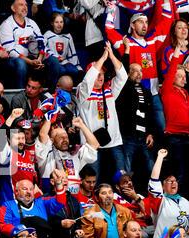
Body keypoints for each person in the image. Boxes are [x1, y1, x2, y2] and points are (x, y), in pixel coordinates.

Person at [105, 0, 173, 136]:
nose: (145, 25)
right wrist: (111, 10)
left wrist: (166, 2)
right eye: (141, 22)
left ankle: (161, 155)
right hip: (134, 94)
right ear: (132, 25)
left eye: (146, 22)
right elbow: (109, 29)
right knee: (137, 130)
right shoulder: (126, 43)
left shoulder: (153, 41)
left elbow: (167, 20)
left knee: (162, 127)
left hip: (153, 93)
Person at [76, 41, 128, 184]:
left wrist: (111, 55)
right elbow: (88, 80)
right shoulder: (83, 90)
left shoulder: (109, 89)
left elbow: (123, 76)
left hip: (114, 142)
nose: (100, 77)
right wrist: (102, 58)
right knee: (93, 181)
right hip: (91, 144)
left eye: (103, 74)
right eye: (97, 74)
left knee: (123, 179)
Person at [0, 172, 67, 238]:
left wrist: (59, 183)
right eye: (24, 189)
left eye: (31, 189)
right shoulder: (8, 205)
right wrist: (24, 235)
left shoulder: (42, 203)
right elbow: (4, 225)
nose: (29, 192)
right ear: (16, 191)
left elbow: (60, 202)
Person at [0, 0, 61, 90]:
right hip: (14, 60)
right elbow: (9, 51)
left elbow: (41, 41)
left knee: (53, 61)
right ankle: (20, 95)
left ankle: (50, 95)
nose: (25, 8)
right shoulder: (6, 25)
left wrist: (39, 59)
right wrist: (30, 62)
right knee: (21, 63)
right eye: (21, 5)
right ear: (13, 8)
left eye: (26, 5)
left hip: (33, 58)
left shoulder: (31, 23)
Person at [36, 116, 99, 195]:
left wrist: (82, 126)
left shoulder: (75, 153)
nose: (65, 139)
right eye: (60, 137)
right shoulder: (47, 155)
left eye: (66, 137)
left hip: (73, 199)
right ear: (52, 140)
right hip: (53, 197)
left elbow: (94, 145)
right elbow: (42, 135)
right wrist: (50, 116)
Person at [115, 60, 155, 176]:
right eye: (135, 71)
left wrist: (150, 133)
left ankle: (155, 191)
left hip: (144, 137)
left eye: (141, 71)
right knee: (125, 169)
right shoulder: (122, 90)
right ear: (128, 73)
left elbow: (150, 115)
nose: (139, 73)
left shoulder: (147, 92)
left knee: (151, 167)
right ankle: (125, 192)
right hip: (127, 137)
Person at [160, 41, 189, 196]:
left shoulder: (186, 93)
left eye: (184, 76)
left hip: (187, 136)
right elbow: (172, 70)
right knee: (179, 174)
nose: (184, 79)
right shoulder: (168, 89)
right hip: (174, 137)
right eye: (180, 76)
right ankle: (176, 202)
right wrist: (177, 50)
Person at [147, 149, 189, 238]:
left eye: (175, 181)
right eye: (169, 181)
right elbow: (154, 180)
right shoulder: (161, 201)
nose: (173, 183)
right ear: (162, 186)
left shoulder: (185, 202)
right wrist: (160, 157)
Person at [112, 170, 155, 238]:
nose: (129, 183)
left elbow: (150, 215)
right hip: (129, 228)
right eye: (125, 182)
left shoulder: (139, 196)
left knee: (163, 229)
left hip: (146, 226)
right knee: (142, 235)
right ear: (118, 187)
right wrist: (138, 215)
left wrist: (136, 198)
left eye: (130, 180)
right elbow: (121, 217)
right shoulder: (114, 198)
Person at [43, 12, 83, 84]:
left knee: (75, 71)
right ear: (52, 23)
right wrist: (56, 57)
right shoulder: (47, 35)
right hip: (52, 62)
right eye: (56, 22)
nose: (59, 24)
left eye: (61, 22)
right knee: (62, 70)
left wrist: (77, 66)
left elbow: (72, 52)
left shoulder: (67, 36)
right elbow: (44, 49)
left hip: (64, 62)